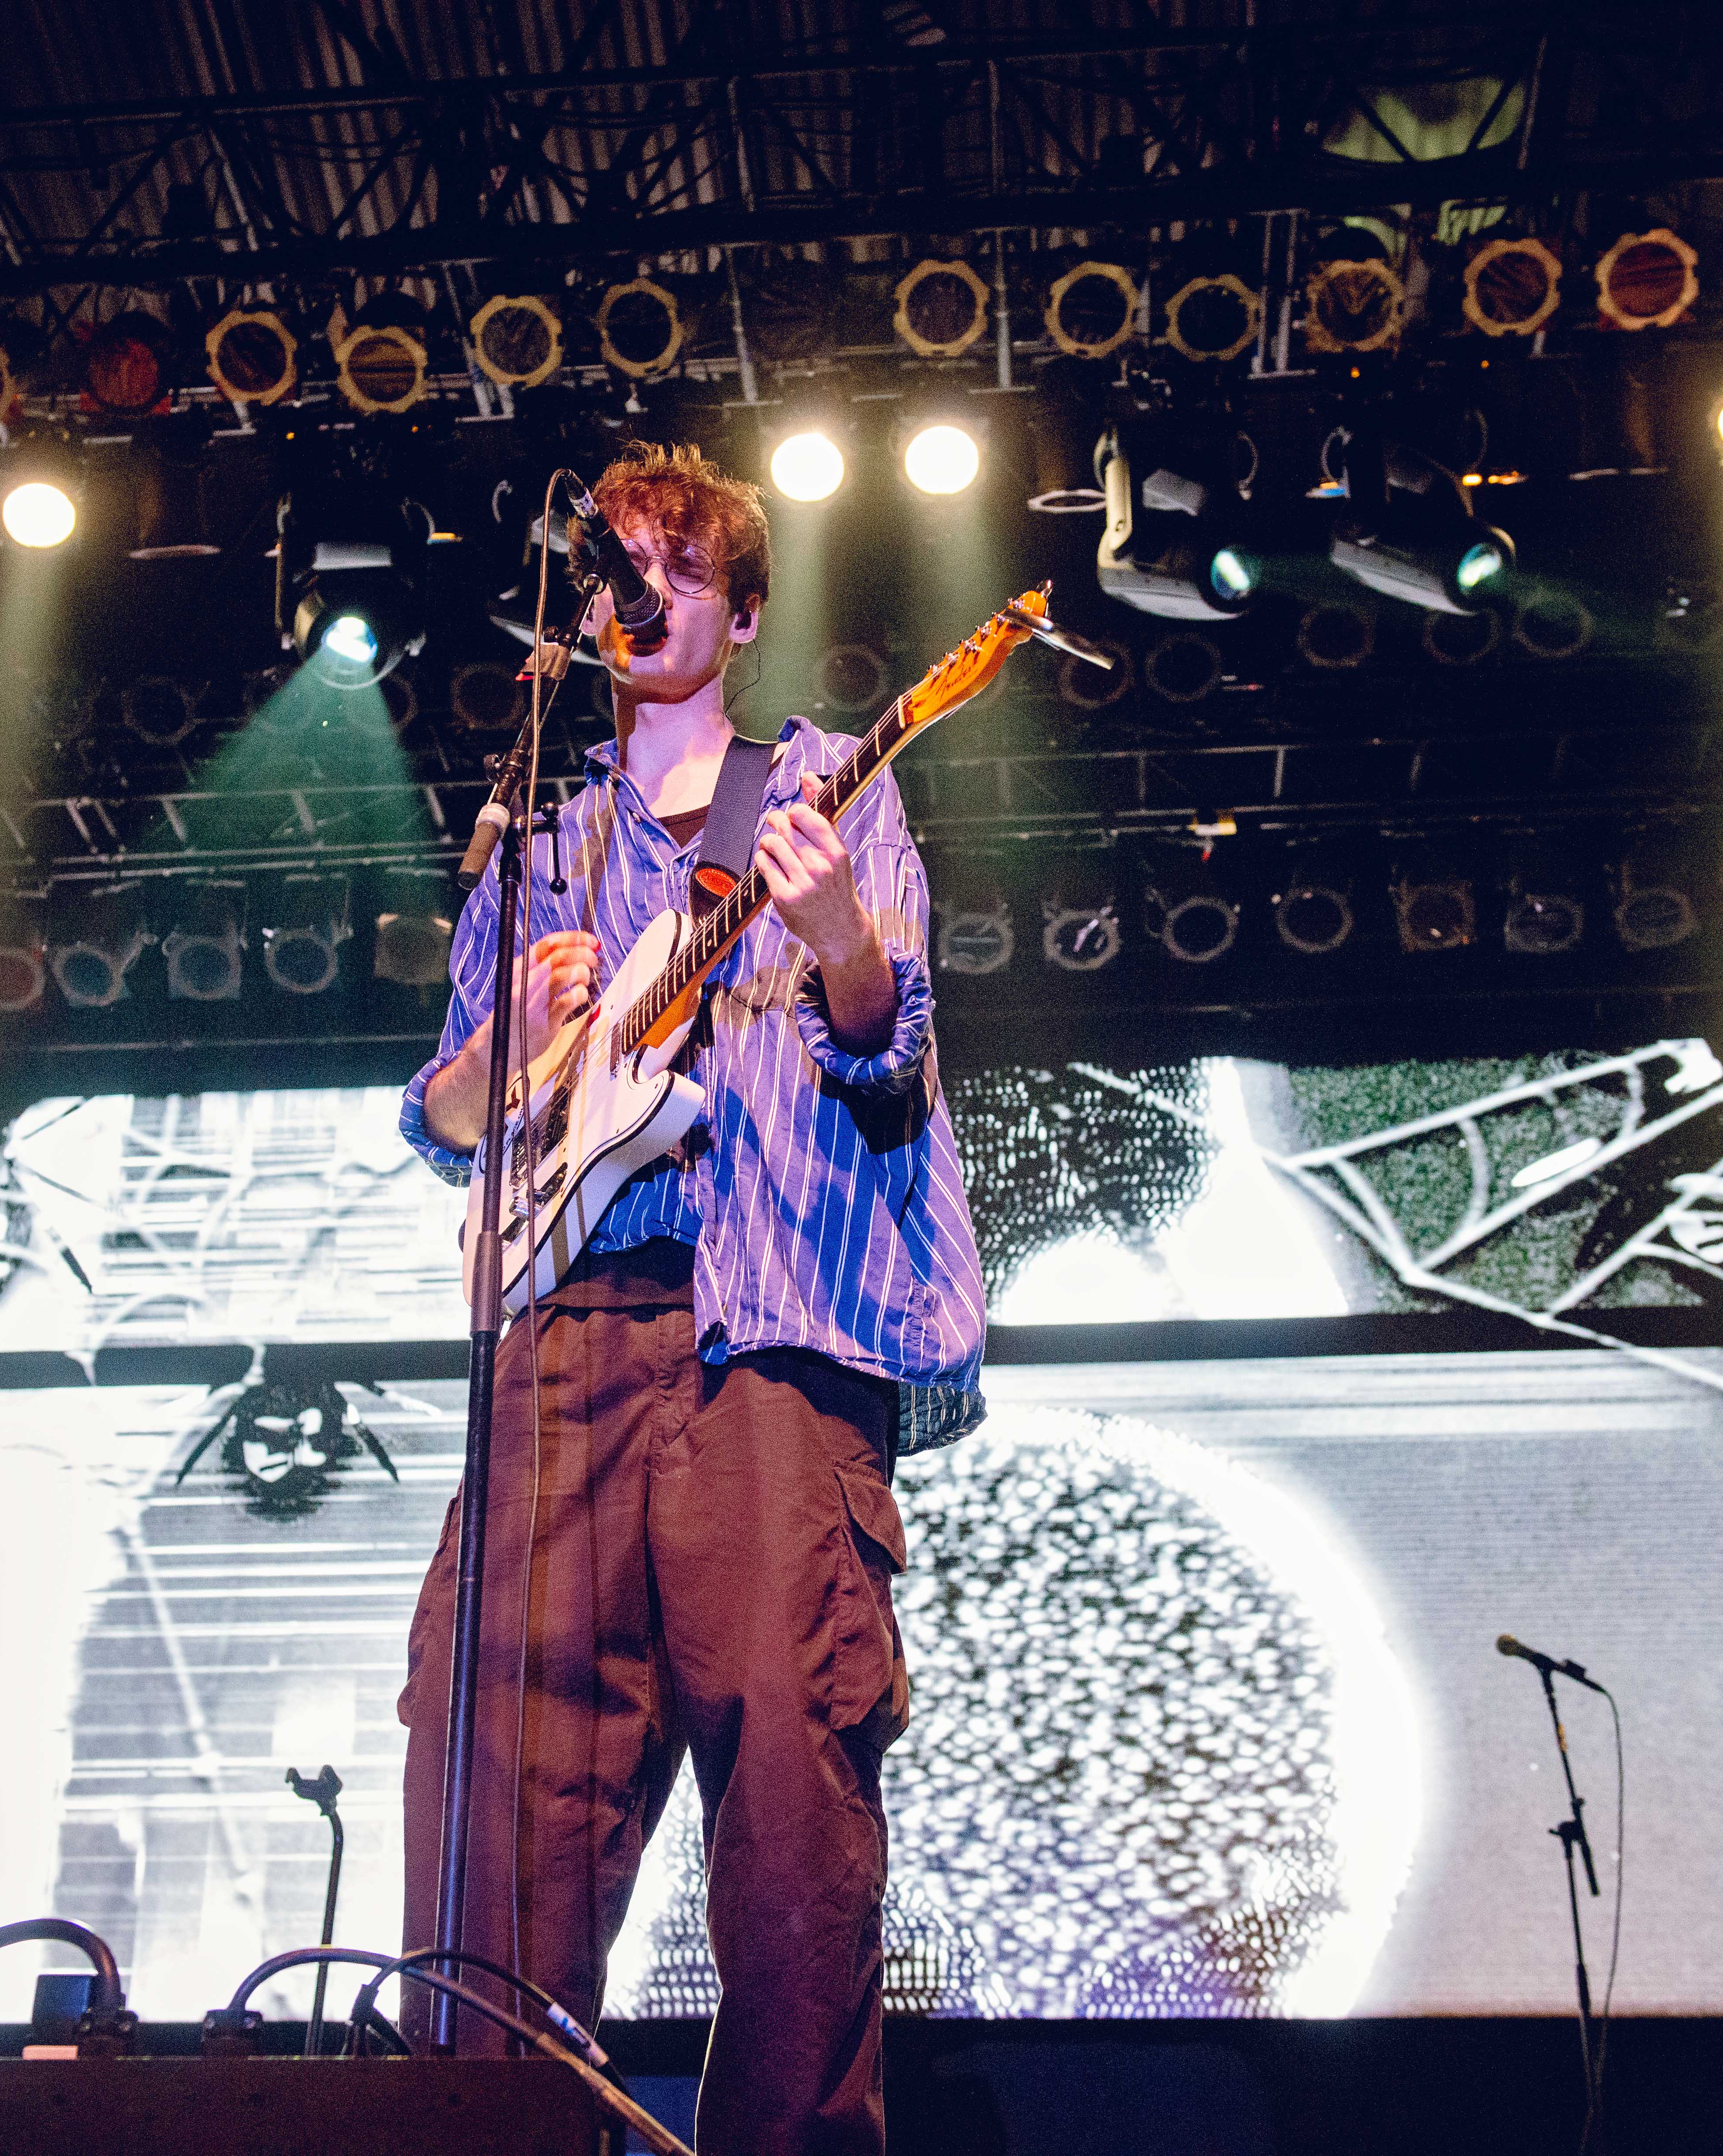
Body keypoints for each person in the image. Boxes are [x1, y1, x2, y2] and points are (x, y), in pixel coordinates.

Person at [397, 443, 985, 2156]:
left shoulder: (822, 791)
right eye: (617, 567)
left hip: (768, 1352)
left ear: (737, 616)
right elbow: (451, 1121)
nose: (639, 591)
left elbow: (883, 1046)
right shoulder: (537, 836)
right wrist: (518, 1041)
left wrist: (839, 933)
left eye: (679, 567)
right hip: (559, 1354)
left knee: (793, 1817)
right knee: (496, 1801)